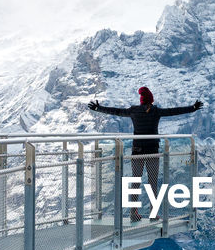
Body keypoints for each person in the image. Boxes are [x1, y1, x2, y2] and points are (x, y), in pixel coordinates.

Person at [87, 87, 204, 220]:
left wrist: (98, 108)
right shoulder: (156, 111)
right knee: (152, 183)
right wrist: (193, 108)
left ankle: (133, 213)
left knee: (135, 181)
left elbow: (116, 111)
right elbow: (174, 111)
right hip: (152, 151)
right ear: (151, 100)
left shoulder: (134, 111)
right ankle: (153, 214)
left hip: (137, 151)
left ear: (141, 100)